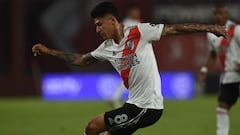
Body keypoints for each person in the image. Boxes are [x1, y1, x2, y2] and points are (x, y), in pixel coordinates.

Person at [32, 2, 226, 135]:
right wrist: (49, 52)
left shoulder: (139, 32)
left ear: (113, 21)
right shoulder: (106, 48)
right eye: (95, 26)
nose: (97, 29)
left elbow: (175, 29)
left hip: (147, 107)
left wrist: (209, 27)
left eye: (100, 24)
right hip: (132, 105)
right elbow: (81, 60)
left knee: (92, 127)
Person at [199, 3, 240, 135]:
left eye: (221, 13)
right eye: (216, 13)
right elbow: (213, 53)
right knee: (222, 106)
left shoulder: (236, 30)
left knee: (223, 106)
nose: (218, 16)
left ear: (227, 14)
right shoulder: (211, 34)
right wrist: (205, 69)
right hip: (230, 75)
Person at [110, 4, 142, 109]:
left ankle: (116, 97)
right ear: (131, 14)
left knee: (129, 77)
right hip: (130, 54)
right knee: (132, 76)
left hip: (124, 54)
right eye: (135, 13)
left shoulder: (123, 23)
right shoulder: (133, 23)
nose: (137, 14)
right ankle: (118, 97)